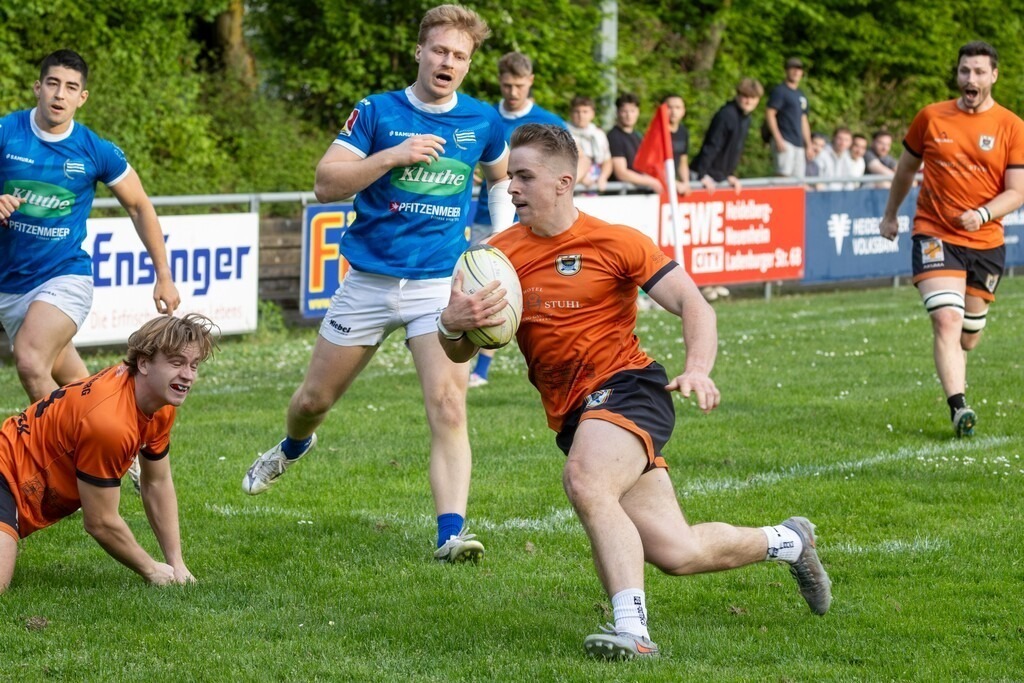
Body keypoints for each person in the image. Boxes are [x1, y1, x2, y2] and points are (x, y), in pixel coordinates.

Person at [437, 123, 832, 658]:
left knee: (585, 480)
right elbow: (462, 351)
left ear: (564, 182)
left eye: (524, 177)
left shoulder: (617, 241)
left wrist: (697, 368)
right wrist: (451, 323)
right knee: (678, 551)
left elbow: (696, 304)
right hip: (577, 415)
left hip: (630, 388)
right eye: (511, 177)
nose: (511, 189)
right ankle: (788, 541)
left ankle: (634, 633)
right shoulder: (495, 257)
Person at [242, 5, 512, 564]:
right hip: (368, 283)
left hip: (440, 286)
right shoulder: (377, 112)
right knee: (313, 400)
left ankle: (451, 533)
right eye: (439, 50)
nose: (448, 62)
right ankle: (294, 445)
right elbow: (325, 183)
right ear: (419, 52)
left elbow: (501, 180)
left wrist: (500, 242)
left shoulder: (483, 121)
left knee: (448, 404)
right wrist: (393, 155)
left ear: (468, 64)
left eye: (459, 56)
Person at [0, 50, 181, 404]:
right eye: (52, 84)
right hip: (9, 284)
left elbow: (139, 205)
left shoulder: (94, 150)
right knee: (78, 386)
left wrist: (164, 275)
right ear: (38, 87)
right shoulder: (6, 132)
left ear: (82, 98)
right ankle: (117, 440)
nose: (59, 94)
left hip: (64, 276)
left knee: (31, 360)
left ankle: (66, 453)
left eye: (70, 87)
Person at [0, 313, 218, 593]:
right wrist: (150, 569)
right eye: (177, 363)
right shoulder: (110, 422)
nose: (187, 375)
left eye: (194, 365)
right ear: (144, 363)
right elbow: (100, 521)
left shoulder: (159, 402)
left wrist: (177, 565)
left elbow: (157, 482)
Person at [880, 40, 1024, 437]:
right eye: (964, 71)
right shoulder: (930, 117)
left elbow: (1017, 190)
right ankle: (959, 408)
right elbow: (906, 169)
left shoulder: (1012, 126)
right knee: (946, 319)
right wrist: (891, 214)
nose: (970, 79)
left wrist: (982, 213)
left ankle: (959, 373)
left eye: (978, 72)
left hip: (986, 241)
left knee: (969, 337)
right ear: (957, 75)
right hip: (934, 232)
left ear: (993, 75)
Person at [467, 51, 567, 390]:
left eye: (519, 85)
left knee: (536, 294)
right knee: (484, 291)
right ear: (500, 82)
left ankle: (553, 360)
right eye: (508, 85)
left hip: (531, 222)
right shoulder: (483, 117)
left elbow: (563, 170)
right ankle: (477, 367)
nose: (513, 91)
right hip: (486, 218)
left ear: (531, 82)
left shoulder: (548, 121)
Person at [690, 77, 764, 195]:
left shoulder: (746, 118)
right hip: (706, 176)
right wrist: (702, 174)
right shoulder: (726, 115)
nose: (749, 101)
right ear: (738, 96)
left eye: (753, 98)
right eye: (745, 97)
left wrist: (729, 175)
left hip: (720, 177)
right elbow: (712, 145)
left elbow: (734, 149)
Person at [764, 57, 812, 178]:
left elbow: (804, 120)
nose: (796, 72)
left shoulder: (801, 95)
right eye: (793, 69)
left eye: (799, 69)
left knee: (798, 181)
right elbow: (770, 113)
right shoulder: (780, 91)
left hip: (799, 143)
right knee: (783, 177)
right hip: (785, 139)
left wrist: (809, 144)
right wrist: (778, 138)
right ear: (786, 71)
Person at [607, 93, 664, 194]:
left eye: (632, 111)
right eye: (624, 111)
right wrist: (651, 182)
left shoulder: (638, 136)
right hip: (621, 196)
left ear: (638, 112)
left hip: (637, 194)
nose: (629, 115)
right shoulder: (614, 136)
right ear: (617, 112)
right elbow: (621, 172)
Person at [567, 96, 612, 193]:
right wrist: (581, 178)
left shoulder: (599, 134)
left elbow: (607, 161)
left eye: (585, 111)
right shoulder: (564, 133)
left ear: (592, 114)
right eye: (577, 111)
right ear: (571, 114)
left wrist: (603, 177)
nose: (581, 115)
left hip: (596, 185)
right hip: (574, 186)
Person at [662, 94, 691, 194]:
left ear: (683, 111)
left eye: (678, 108)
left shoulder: (684, 132)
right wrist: (672, 183)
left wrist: (686, 182)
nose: (673, 112)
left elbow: (683, 161)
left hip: (674, 185)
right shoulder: (657, 133)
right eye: (669, 107)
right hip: (660, 186)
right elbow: (652, 165)